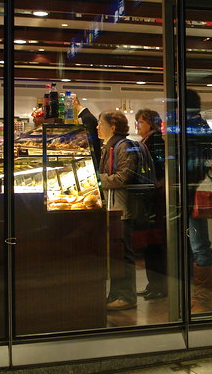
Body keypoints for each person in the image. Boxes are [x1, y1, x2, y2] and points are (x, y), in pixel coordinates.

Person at [98, 109, 139, 311]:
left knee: (123, 252)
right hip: (114, 205)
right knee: (116, 253)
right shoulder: (110, 146)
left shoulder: (123, 146)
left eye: (101, 123)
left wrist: (98, 180)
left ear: (112, 127)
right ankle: (116, 294)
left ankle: (127, 296)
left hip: (122, 207)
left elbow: (123, 177)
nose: (97, 127)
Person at [184, 89, 212, 313]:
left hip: (192, 193)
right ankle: (198, 297)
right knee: (197, 245)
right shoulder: (196, 126)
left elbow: (191, 165)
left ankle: (203, 300)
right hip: (191, 193)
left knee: (199, 246)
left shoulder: (193, 127)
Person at [135, 108, 167, 300]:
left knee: (155, 243)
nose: (137, 126)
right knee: (151, 243)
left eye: (140, 122)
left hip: (155, 198)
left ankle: (159, 285)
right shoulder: (148, 141)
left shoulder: (155, 141)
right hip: (151, 196)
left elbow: (157, 170)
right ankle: (153, 284)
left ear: (150, 123)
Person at [72, 93, 101, 172]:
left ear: (75, 101)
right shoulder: (85, 116)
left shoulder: (86, 117)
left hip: (93, 162)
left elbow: (90, 142)